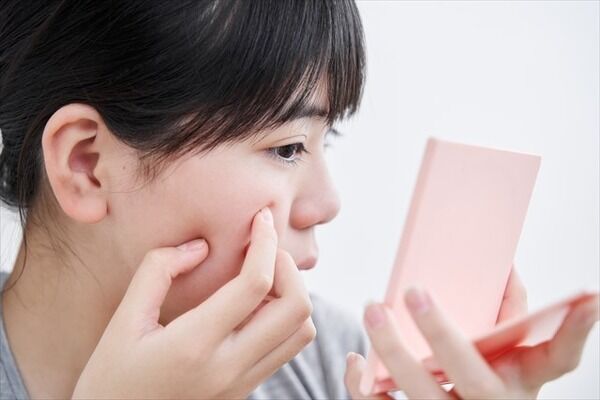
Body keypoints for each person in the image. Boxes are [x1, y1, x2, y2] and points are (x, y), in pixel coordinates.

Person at [0, 1, 597, 399]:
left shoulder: (335, 364)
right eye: (287, 147)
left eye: (323, 140)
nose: (326, 203)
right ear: (87, 166)